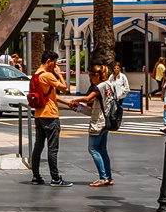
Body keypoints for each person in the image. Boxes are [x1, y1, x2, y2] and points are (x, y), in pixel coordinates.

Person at [27, 51, 75, 187]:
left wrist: (68, 103)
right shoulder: (47, 75)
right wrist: (59, 73)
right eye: (54, 63)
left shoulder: (36, 75)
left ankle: (36, 176)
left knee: (38, 146)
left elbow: (51, 95)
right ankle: (55, 178)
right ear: (49, 61)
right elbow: (65, 88)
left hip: (39, 114)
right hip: (50, 115)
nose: (55, 66)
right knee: (52, 148)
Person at [71, 63, 118, 187]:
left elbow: (88, 99)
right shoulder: (110, 85)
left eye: (91, 77)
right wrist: (79, 107)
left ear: (97, 75)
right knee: (102, 150)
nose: (90, 80)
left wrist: (75, 100)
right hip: (106, 122)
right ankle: (109, 177)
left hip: (98, 123)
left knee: (93, 149)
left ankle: (102, 178)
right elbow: (94, 104)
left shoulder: (100, 87)